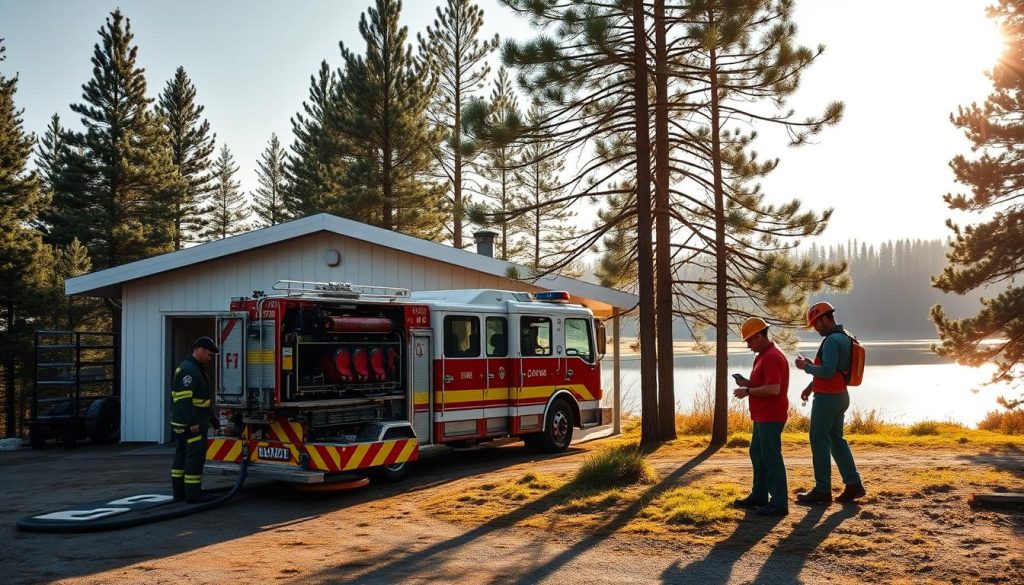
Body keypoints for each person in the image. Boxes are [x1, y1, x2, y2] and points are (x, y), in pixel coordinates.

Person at [794, 302, 866, 504]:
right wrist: (810, 386)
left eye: (816, 324)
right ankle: (854, 484)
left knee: (819, 441)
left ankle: (822, 490)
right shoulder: (845, 336)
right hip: (840, 395)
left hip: (827, 398)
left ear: (825, 318)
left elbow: (826, 371)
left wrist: (805, 367)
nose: (815, 328)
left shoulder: (832, 341)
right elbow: (834, 371)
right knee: (836, 440)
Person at [732, 317, 790, 517]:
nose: (748, 345)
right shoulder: (763, 355)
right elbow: (764, 383)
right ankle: (759, 496)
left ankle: (779, 502)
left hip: (771, 416)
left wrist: (747, 390)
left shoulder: (772, 356)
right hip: (762, 415)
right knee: (757, 453)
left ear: (759, 336)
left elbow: (774, 389)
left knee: (771, 457)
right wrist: (747, 382)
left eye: (749, 340)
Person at [170, 336, 220, 503]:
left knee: (182, 454)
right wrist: (192, 421)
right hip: (191, 423)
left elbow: (202, 399)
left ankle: (179, 493)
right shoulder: (189, 370)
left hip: (182, 422)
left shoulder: (191, 367)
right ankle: (193, 493)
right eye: (209, 354)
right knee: (195, 456)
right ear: (200, 349)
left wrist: (213, 418)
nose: (210, 358)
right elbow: (185, 399)